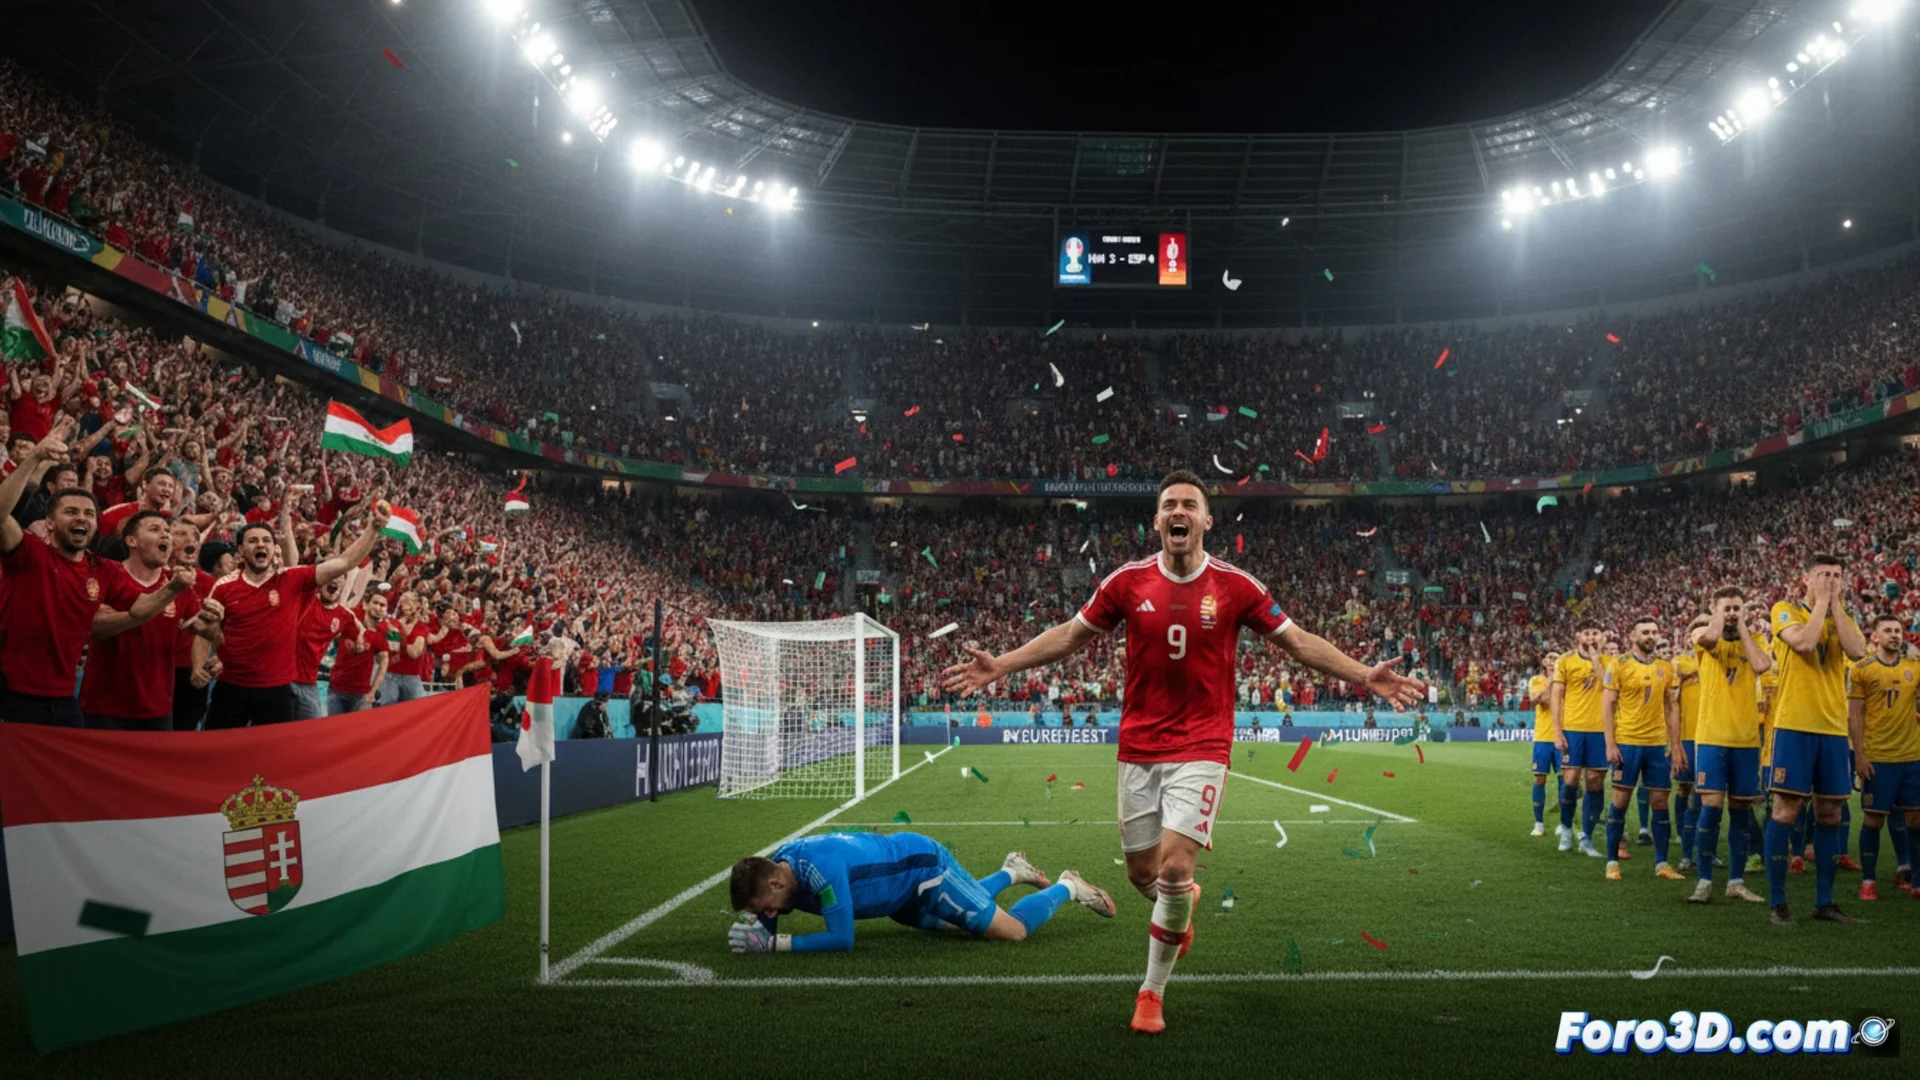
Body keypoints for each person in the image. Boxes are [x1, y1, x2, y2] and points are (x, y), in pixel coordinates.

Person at [939, 469, 1424, 1034]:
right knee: (1144, 873)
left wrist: (1366, 674)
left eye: (1189, 504)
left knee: (1173, 865)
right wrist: (1002, 663)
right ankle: (1179, 904)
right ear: (1156, 520)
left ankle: (1151, 994)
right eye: (1169, 504)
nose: (1179, 511)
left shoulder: (1237, 586)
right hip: (1139, 747)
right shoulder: (1127, 582)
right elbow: (1071, 634)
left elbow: (1298, 642)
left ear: (1205, 520)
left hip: (1203, 743)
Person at [0, 422, 188, 726]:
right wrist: (35, 456)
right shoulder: (28, 552)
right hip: (11, 695)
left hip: (63, 699)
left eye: (89, 514)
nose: (81, 518)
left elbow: (139, 609)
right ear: (49, 522)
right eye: (70, 512)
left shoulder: (103, 570)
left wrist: (173, 588)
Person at [726, 835, 1114, 954]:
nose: (770, 916)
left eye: (766, 909)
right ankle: (1014, 871)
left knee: (1010, 930)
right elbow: (766, 908)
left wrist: (776, 944)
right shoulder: (779, 868)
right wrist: (752, 923)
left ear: (776, 883)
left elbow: (842, 939)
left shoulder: (819, 870)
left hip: (925, 871)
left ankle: (1069, 886)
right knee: (962, 920)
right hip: (898, 899)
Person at [204, 505, 390, 728]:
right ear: (241, 550)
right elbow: (207, 631)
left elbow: (344, 563)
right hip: (232, 686)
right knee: (221, 751)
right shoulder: (224, 587)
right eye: (253, 541)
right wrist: (204, 662)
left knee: (276, 754)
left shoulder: (292, 580)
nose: (261, 544)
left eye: (266, 540)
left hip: (278, 690)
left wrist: (374, 528)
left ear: (274, 548)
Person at [1764, 553, 1868, 926]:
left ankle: (1824, 902)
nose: (1831, 579)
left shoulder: (1844, 618)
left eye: (1837, 575)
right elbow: (1806, 644)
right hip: (1794, 725)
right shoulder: (1784, 610)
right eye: (1824, 574)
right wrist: (1823, 602)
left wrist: (1834, 604)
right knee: (1785, 811)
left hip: (1833, 730)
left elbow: (1857, 651)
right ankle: (1778, 903)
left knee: (1831, 813)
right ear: (1807, 579)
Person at [79, 509, 222, 729]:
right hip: (105, 705)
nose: (165, 535)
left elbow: (202, 631)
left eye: (167, 531)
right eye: (155, 530)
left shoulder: (180, 584)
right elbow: (94, 627)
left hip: (157, 707)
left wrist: (213, 627)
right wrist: (168, 592)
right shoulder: (107, 572)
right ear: (131, 540)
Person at [1686, 594, 1772, 904]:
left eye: (1738, 608)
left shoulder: (1756, 639)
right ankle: (1705, 880)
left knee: (1740, 810)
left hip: (1746, 739)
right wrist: (1720, 620)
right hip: (1711, 736)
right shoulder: (1703, 633)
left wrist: (1744, 627)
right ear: (1715, 611)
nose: (1733, 613)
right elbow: (1709, 640)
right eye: (1727, 608)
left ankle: (1735, 881)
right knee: (1710, 807)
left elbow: (1762, 665)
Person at [1599, 617, 1684, 881]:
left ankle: (1662, 864)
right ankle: (1612, 862)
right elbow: (1607, 705)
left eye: (1654, 632)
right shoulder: (1619, 664)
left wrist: (1677, 745)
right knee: (1620, 802)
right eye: (1645, 632)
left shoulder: (1666, 668)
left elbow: (1672, 707)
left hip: (1657, 745)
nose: (1651, 636)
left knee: (1660, 802)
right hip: (1627, 743)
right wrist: (1610, 744)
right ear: (1633, 636)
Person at [1846, 616, 1920, 901]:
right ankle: (1868, 880)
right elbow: (1855, 717)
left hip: (1912, 756)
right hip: (1878, 757)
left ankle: (1915, 880)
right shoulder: (1862, 669)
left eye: (1898, 631)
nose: (1894, 635)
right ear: (1875, 636)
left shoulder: (1913, 666)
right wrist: (1859, 757)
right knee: (1873, 820)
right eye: (1887, 630)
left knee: (1915, 819)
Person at [1552, 622, 1610, 858]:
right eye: (1587, 633)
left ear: (1601, 636)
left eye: (1595, 633)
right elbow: (1556, 696)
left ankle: (1586, 836)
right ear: (1578, 636)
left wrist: (1596, 656)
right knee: (1571, 779)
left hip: (1600, 730)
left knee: (1595, 782)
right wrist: (1557, 731)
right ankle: (1566, 828)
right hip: (1573, 728)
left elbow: (1606, 684)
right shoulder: (1565, 661)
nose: (1591, 637)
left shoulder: (1609, 661)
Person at [1672, 628, 1703, 871]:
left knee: (1706, 795)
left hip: (1712, 735)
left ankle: (1703, 848)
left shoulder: (1720, 657)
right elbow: (1672, 695)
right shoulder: (1681, 661)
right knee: (1685, 789)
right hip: (1688, 735)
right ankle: (1685, 840)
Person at [327, 591, 389, 714]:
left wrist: (373, 692)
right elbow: (339, 609)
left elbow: (384, 663)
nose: (378, 607)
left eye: (382, 605)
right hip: (336, 690)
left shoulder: (381, 635)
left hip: (361, 695)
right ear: (365, 604)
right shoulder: (350, 623)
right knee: (334, 731)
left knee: (357, 733)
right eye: (375, 603)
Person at [1528, 651, 1562, 837]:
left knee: (1565, 780)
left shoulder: (1566, 681)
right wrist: (1551, 681)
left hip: (1561, 737)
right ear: (1543, 661)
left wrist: (1548, 696)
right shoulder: (1536, 680)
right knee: (1539, 779)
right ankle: (1539, 823)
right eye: (1550, 658)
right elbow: (1535, 701)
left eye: (1557, 658)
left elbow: (1548, 701)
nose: (1553, 661)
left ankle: (1564, 822)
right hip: (1542, 738)